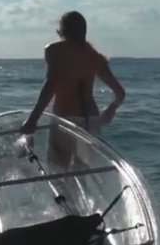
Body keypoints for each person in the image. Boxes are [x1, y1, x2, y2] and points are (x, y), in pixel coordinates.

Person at [19, 11, 125, 166]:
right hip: (92, 122)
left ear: (61, 31)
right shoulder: (94, 56)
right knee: (83, 178)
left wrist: (32, 120)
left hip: (66, 120)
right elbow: (120, 93)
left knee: (59, 175)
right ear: (84, 31)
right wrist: (111, 109)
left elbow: (51, 84)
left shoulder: (55, 51)